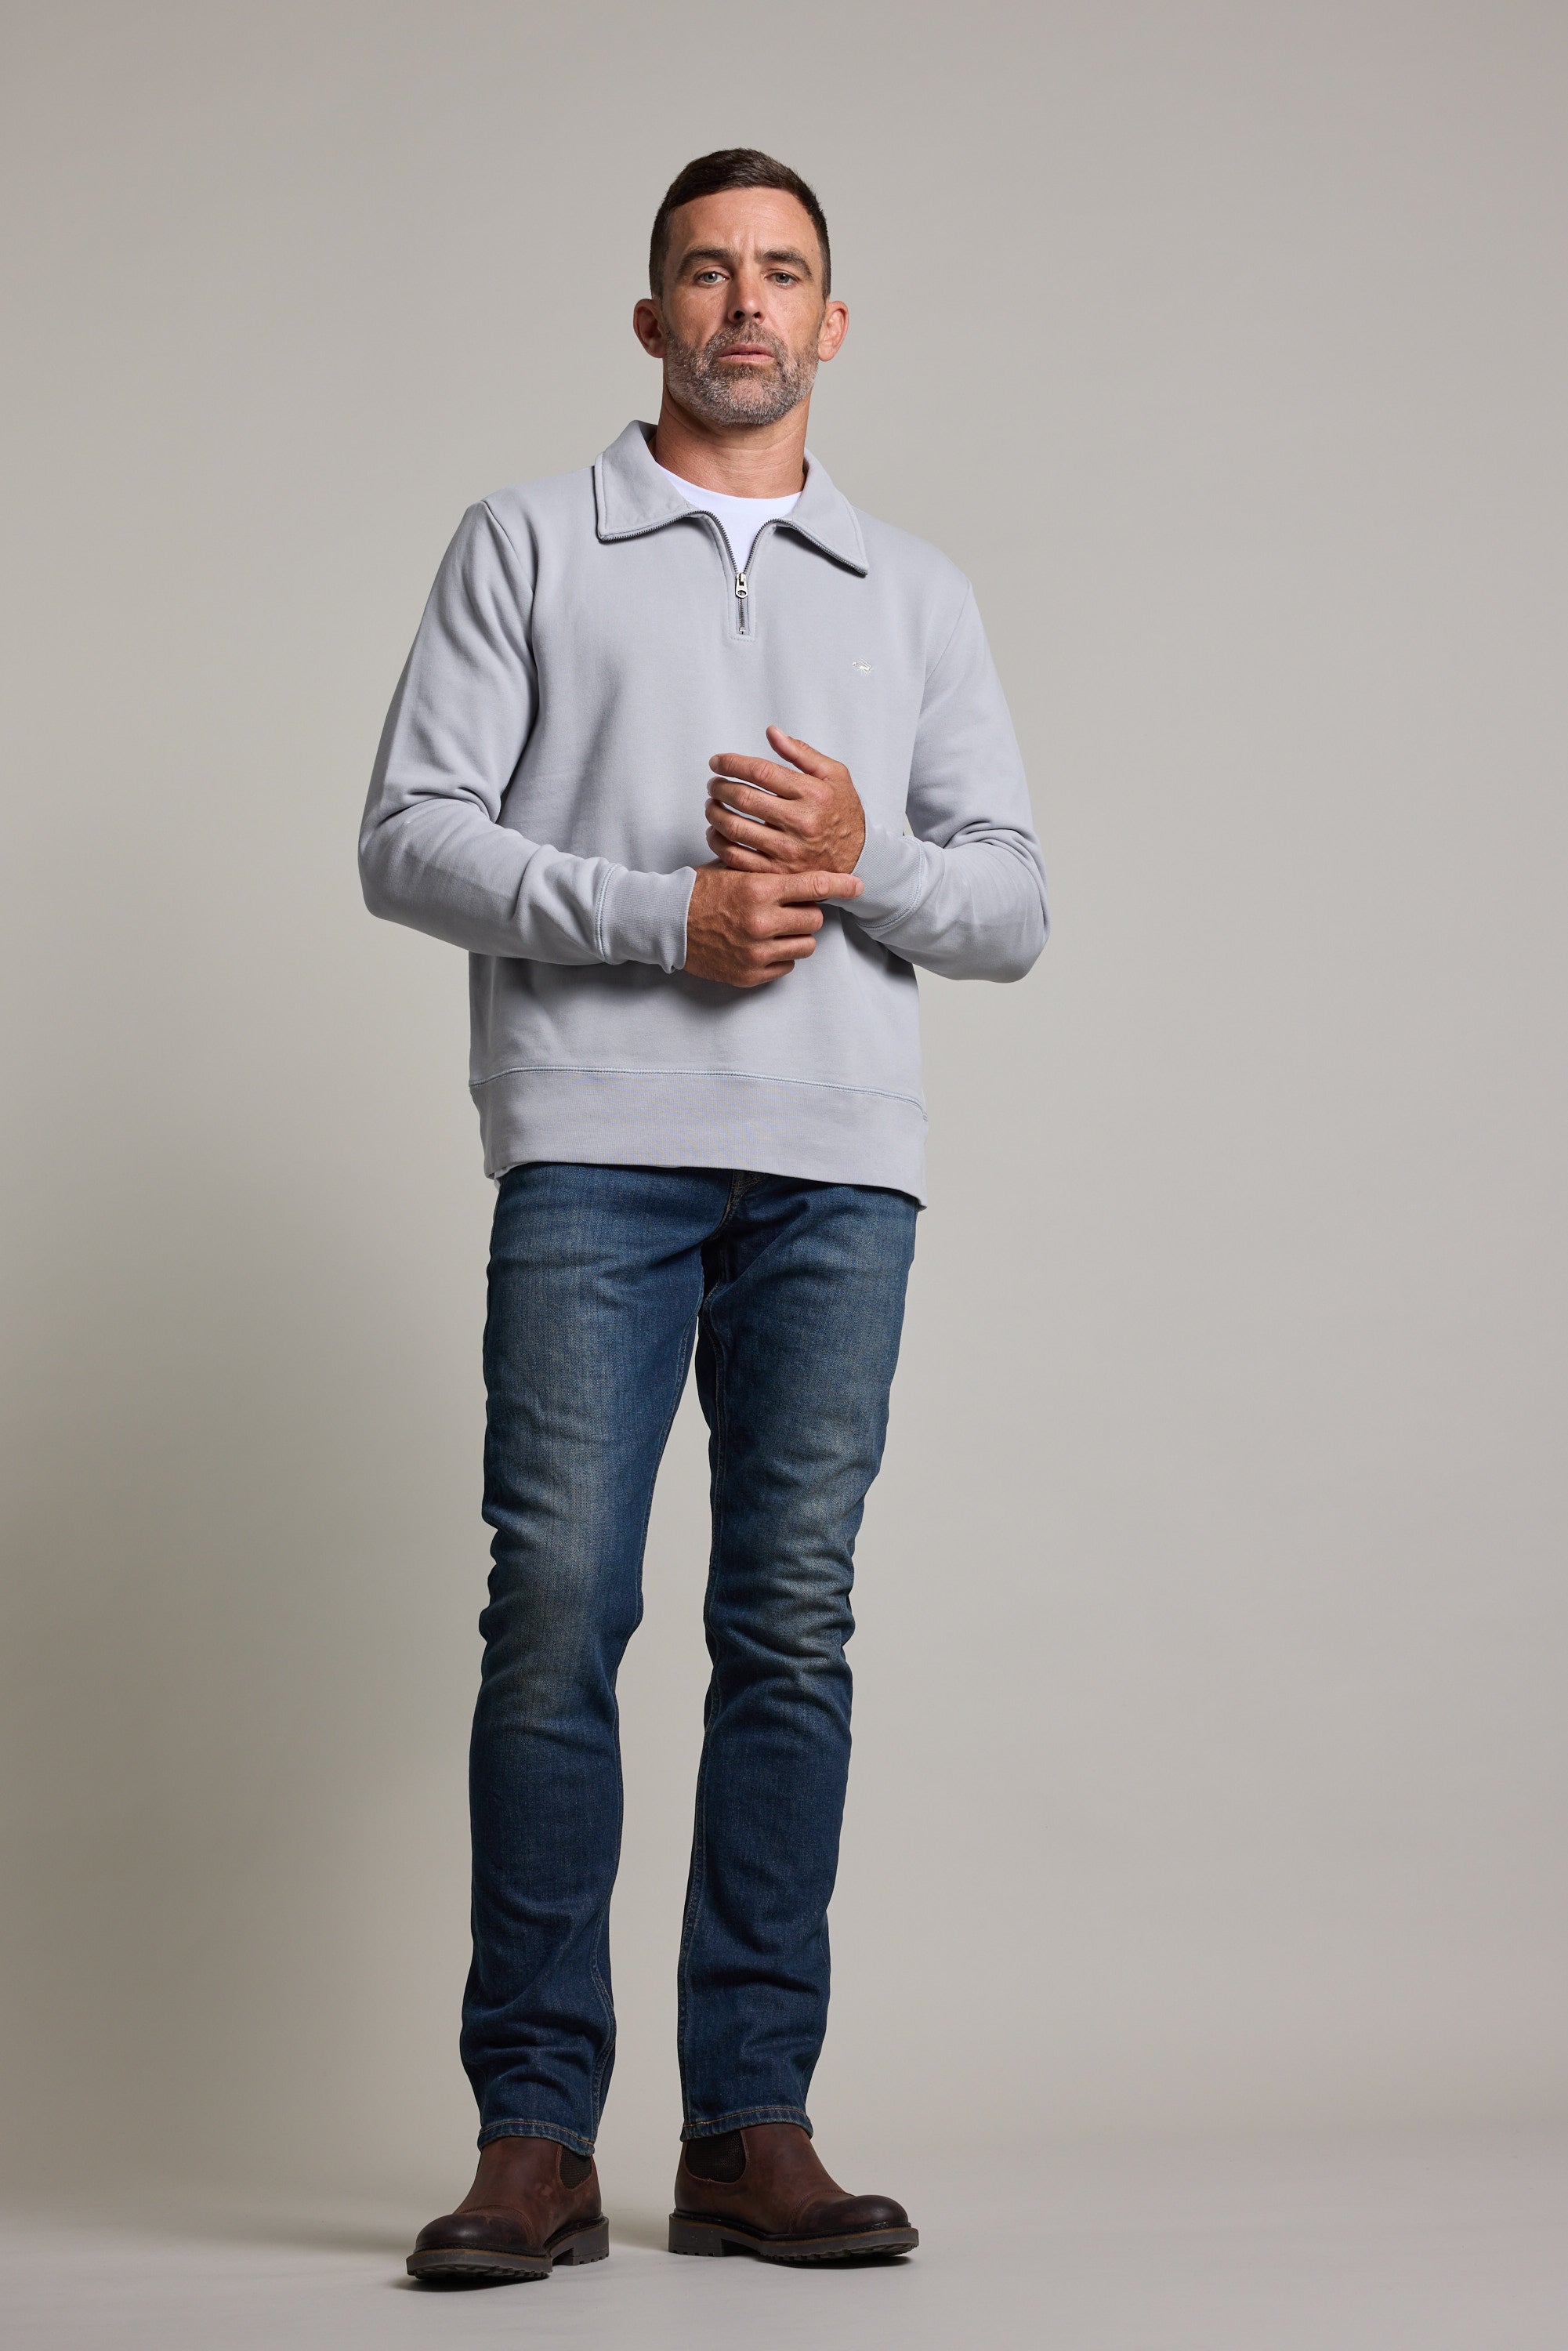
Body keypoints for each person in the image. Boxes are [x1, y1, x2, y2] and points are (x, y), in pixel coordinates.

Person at [360, 147, 1048, 2282]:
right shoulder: (530, 544)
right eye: (702, 273)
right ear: (647, 314)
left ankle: (750, 2126)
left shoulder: (909, 591)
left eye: (782, 275)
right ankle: (531, 2133)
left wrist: (857, 860)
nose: (743, 305)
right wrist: (670, 915)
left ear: (831, 326)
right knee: (555, 1612)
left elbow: (1011, 905)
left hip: (839, 1169)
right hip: (597, 1148)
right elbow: (405, 837)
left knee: (790, 1631)